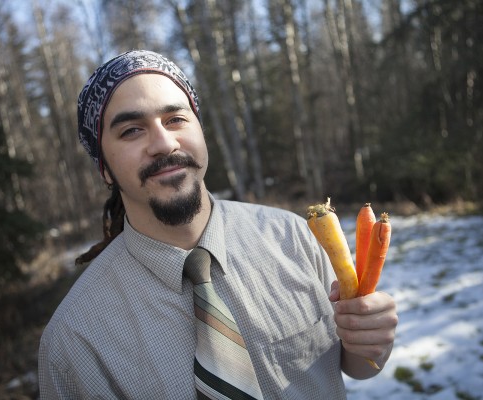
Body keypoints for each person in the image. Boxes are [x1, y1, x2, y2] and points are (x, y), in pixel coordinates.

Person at [38, 50, 398, 399]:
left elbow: (354, 365)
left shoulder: (295, 238)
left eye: (176, 119)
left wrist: (371, 344)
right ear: (104, 167)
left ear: (200, 129)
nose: (164, 143)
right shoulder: (75, 341)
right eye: (132, 130)